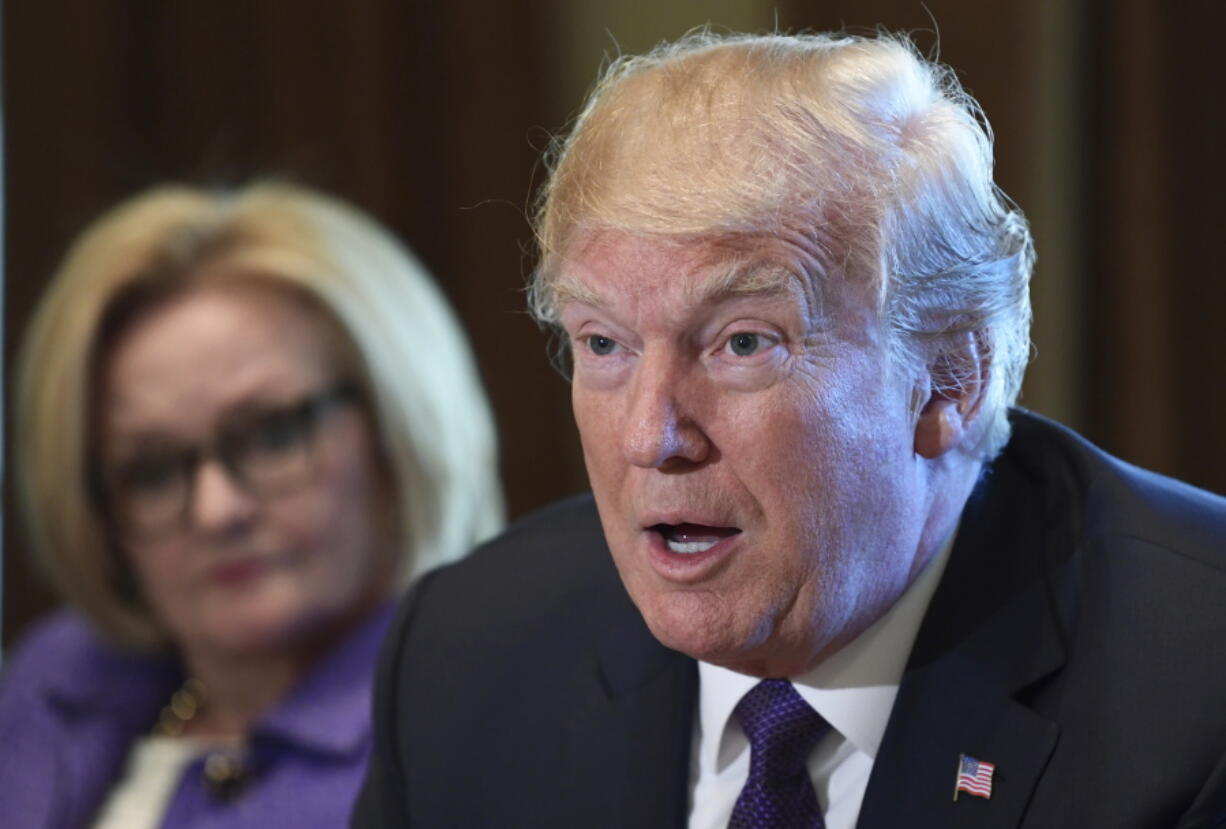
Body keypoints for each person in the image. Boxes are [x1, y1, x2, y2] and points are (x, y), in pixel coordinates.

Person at [353, 30, 1226, 829]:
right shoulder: (468, 652)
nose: (650, 437)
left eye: (743, 342)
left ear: (952, 377)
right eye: (604, 343)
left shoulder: (1195, 688)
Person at [0, 181, 503, 828]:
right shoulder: (57, 675)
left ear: (394, 423)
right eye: (151, 471)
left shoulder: (484, 736)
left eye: (272, 434)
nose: (216, 510)